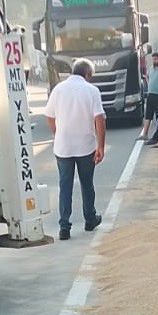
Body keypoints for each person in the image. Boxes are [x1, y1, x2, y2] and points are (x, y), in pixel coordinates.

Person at [44, 58, 106, 240]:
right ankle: (90, 219)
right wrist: (100, 146)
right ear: (87, 74)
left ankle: (64, 227)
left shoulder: (58, 89)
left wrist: (58, 133)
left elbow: (49, 116)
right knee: (87, 183)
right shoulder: (91, 90)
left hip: (63, 147)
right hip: (85, 147)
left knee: (65, 185)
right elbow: (99, 119)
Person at [140, 51, 158, 141]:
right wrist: (148, 82)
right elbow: (147, 76)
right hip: (150, 94)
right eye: (153, 59)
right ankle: (144, 134)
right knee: (148, 115)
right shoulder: (151, 68)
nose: (154, 61)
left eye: (156, 59)